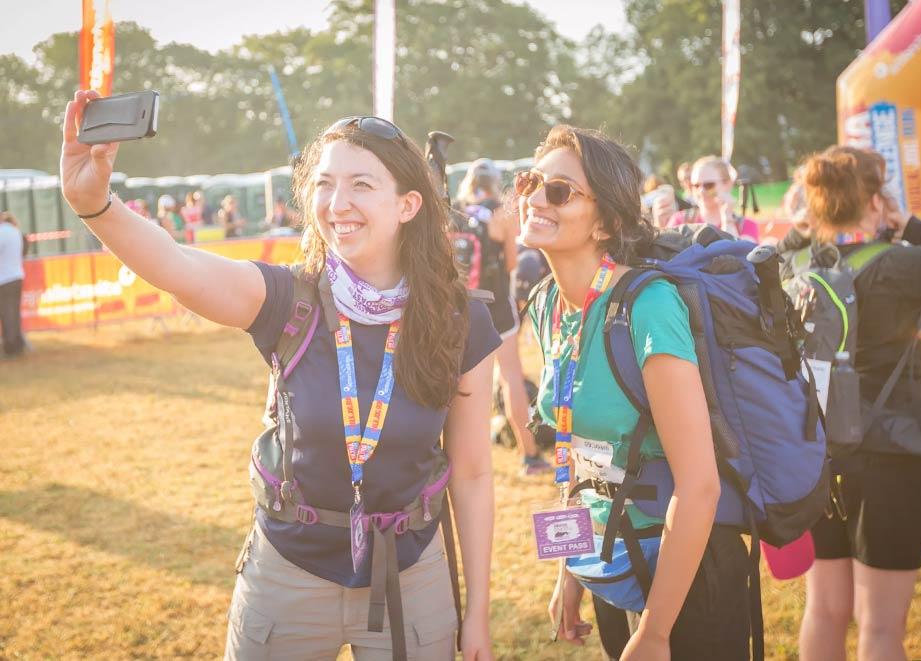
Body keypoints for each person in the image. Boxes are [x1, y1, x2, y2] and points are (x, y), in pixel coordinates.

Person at [60, 90, 498, 660]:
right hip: (289, 574)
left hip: (410, 578)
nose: (336, 203)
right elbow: (177, 266)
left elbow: (472, 474)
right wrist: (95, 204)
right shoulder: (288, 298)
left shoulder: (461, 319)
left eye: (361, 184)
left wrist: (479, 618)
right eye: (324, 183)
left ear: (408, 205)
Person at [520, 125, 748, 660]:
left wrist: (658, 631)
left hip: (684, 575)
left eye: (559, 191)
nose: (533, 197)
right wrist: (570, 573)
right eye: (530, 181)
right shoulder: (547, 303)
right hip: (609, 559)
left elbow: (699, 487)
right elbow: (577, 453)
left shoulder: (649, 307)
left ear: (608, 223)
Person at [787, 145, 921, 661]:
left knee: (824, 609)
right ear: (877, 200)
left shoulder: (798, 264)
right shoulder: (899, 265)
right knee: (879, 629)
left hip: (816, 456)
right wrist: (915, 227)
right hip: (891, 459)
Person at [454, 158, 551, 475]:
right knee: (511, 378)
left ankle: (458, 456)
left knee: (458, 383)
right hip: (495, 306)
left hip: (459, 304)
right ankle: (530, 455)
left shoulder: (456, 211)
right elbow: (512, 263)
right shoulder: (500, 214)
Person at [667, 156, 760, 242]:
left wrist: (728, 219)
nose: (701, 191)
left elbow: (735, 253)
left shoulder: (746, 225)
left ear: (727, 184)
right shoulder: (679, 221)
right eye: (696, 186)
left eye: (709, 185)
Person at [0, 211, 26, 358]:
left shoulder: (2, 233)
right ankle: (16, 343)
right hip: (17, 276)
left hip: (5, 279)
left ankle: (12, 347)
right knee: (13, 313)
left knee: (7, 314)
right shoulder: (15, 231)